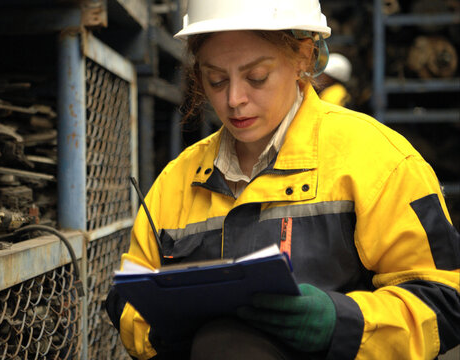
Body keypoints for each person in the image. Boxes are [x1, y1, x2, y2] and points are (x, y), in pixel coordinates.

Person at [106, 0, 460, 359]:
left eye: (256, 77)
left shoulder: (378, 161)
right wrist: (170, 330)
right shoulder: (177, 181)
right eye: (216, 80)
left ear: (304, 57)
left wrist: (343, 323)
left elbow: (446, 301)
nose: (234, 100)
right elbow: (125, 301)